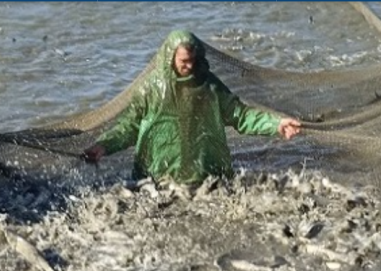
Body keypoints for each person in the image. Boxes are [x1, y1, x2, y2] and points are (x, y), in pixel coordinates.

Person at [83, 30, 302, 184]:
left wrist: (276, 124)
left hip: (206, 176)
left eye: (193, 60)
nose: (189, 66)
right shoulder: (150, 89)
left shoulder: (209, 85)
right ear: (170, 58)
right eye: (183, 61)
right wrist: (103, 147)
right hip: (156, 177)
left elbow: (241, 116)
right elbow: (129, 127)